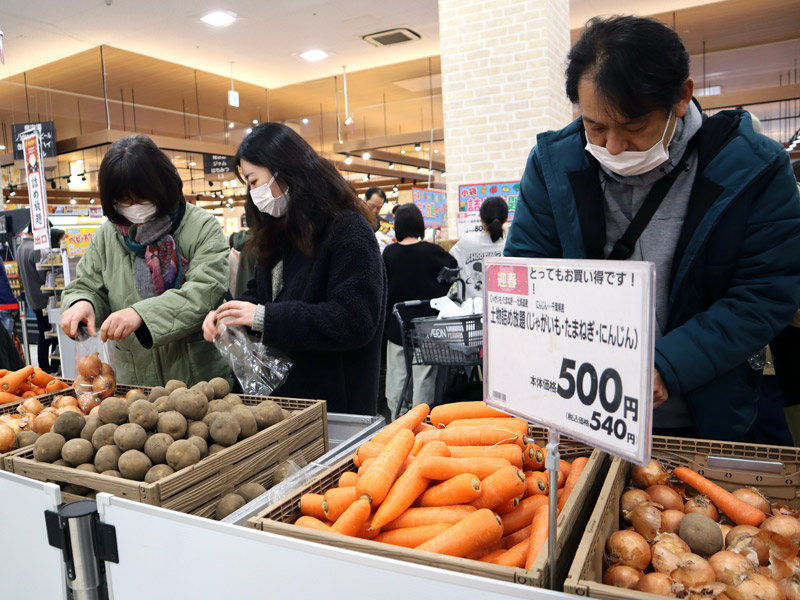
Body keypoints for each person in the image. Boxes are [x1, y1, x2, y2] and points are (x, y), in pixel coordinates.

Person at [504, 15, 800, 442]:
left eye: (633, 127)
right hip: (584, 416)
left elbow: (764, 294)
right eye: (595, 126)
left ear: (681, 97)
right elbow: (529, 273)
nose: (614, 147)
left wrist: (666, 364)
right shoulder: (554, 166)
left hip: (708, 414)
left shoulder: (753, 168)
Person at [201, 123, 386, 415]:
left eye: (254, 181)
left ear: (283, 170)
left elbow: (355, 319)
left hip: (336, 409)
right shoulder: (281, 230)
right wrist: (232, 314)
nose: (252, 193)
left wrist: (264, 317)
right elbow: (261, 292)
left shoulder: (347, 230)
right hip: (287, 405)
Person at [61, 134, 230, 386]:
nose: (134, 207)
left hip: (200, 380)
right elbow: (87, 284)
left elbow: (203, 293)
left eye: (141, 198)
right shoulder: (107, 237)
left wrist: (140, 314)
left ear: (163, 186)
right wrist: (82, 303)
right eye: (124, 201)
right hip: (136, 383)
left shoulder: (201, 227)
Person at [383, 203, 457, 416]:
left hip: (397, 325)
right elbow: (453, 269)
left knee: (397, 375)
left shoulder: (389, 253)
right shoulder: (433, 251)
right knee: (424, 376)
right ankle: (420, 419)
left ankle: (398, 419)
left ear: (397, 226)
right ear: (420, 225)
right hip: (428, 326)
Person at [16, 225, 61, 372]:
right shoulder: (35, 248)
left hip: (32, 298)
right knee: (51, 334)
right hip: (44, 298)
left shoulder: (21, 247)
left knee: (44, 332)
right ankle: (48, 368)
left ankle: (45, 367)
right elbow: (43, 274)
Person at [449, 196, 509, 300]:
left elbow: (448, 265)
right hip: (503, 310)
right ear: (506, 219)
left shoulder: (466, 242)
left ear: (481, 217)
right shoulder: (510, 244)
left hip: (470, 312)